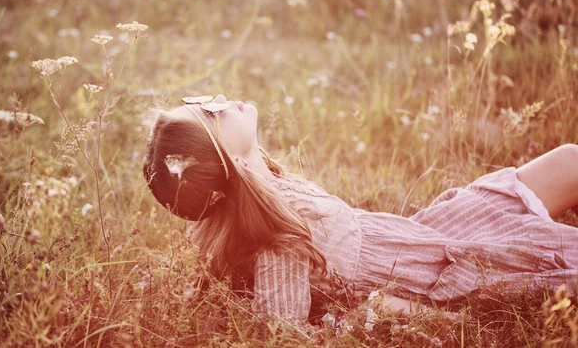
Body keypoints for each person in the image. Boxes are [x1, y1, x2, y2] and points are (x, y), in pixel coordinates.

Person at [142, 94, 578, 324]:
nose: (220, 97)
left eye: (202, 97)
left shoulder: (268, 185)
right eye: (211, 111)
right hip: (435, 272)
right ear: (227, 159)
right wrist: (378, 312)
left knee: (568, 160)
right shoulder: (278, 238)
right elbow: (281, 331)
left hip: (422, 233)